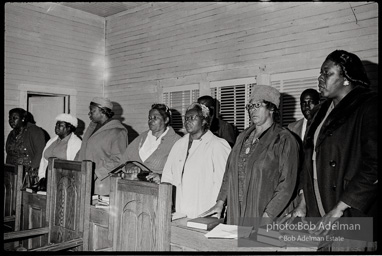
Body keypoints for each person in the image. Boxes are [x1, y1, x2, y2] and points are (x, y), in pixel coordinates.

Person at [285, 50, 377, 251]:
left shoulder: (369, 106)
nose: (320, 78)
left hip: (350, 211)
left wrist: (340, 208)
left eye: (327, 73)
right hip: (318, 208)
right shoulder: (319, 112)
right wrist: (303, 202)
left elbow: (374, 165)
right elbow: (308, 162)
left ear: (346, 78)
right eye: (320, 73)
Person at [200, 85, 300, 228]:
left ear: (271, 108)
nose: (252, 110)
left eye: (257, 105)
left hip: (266, 214)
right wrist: (220, 202)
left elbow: (287, 185)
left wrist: (268, 215)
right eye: (250, 106)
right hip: (237, 211)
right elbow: (229, 172)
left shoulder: (284, 140)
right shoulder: (242, 137)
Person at [161, 103, 231, 218]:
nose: (187, 121)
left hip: (205, 211)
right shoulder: (179, 144)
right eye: (186, 118)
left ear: (204, 121)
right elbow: (167, 176)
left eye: (192, 118)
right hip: (179, 211)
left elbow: (223, 182)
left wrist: (216, 210)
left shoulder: (218, 145)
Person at [76, 97, 128, 196]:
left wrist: (97, 173)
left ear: (103, 111)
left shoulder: (118, 131)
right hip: (85, 180)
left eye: (92, 111)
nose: (89, 114)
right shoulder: (92, 128)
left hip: (102, 183)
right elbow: (84, 149)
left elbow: (119, 159)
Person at [119, 103, 181, 183]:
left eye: (155, 118)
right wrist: (129, 166)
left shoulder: (177, 141)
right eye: (149, 118)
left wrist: (161, 177)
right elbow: (124, 160)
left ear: (166, 120)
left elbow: (181, 171)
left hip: (160, 190)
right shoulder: (141, 137)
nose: (151, 121)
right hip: (133, 188)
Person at [6, 108, 47, 186]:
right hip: (12, 173)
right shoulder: (11, 134)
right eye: (10, 118)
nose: (11, 120)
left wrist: (32, 170)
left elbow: (40, 152)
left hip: (28, 174)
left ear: (23, 119)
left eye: (15, 118)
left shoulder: (35, 131)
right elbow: (8, 153)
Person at [37, 113, 82, 181]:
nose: (56, 127)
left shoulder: (77, 143)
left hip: (64, 180)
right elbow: (43, 162)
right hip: (47, 179)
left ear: (69, 127)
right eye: (56, 124)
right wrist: (41, 177)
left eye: (60, 125)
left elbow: (75, 167)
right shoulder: (51, 141)